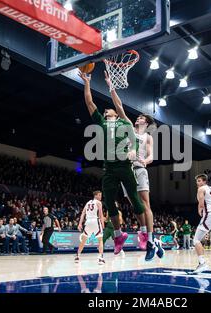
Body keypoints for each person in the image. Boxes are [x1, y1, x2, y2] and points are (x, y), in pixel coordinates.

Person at [79, 71, 150, 258]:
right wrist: (87, 83)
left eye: (108, 109)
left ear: (115, 113)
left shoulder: (123, 122)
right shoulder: (101, 122)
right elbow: (89, 102)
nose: (105, 110)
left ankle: (143, 232)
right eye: (106, 111)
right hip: (109, 168)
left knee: (135, 199)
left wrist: (133, 150)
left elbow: (134, 139)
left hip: (124, 166)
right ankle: (119, 236)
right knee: (109, 203)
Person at [121, 113, 164, 261]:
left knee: (145, 204)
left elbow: (151, 156)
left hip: (139, 169)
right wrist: (112, 90)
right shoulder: (129, 129)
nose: (137, 119)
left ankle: (151, 240)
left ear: (146, 123)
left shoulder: (148, 137)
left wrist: (145, 161)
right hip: (126, 171)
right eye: (137, 117)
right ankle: (149, 237)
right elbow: (120, 110)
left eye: (141, 118)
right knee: (135, 206)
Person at [75, 191, 105, 265]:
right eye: (99, 195)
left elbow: (83, 213)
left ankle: (77, 256)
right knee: (100, 240)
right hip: (95, 221)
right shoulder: (98, 202)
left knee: (83, 240)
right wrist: (103, 224)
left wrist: (80, 223)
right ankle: (101, 259)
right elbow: (101, 214)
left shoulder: (88, 202)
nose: (101, 197)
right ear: (95, 196)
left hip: (88, 222)